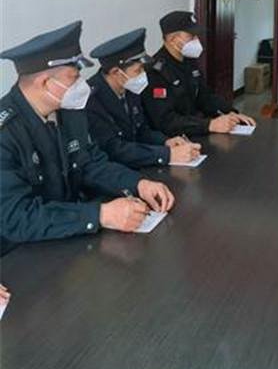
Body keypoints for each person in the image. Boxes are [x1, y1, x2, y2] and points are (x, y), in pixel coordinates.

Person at [0, 21, 175, 255]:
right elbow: (16, 217)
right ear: (45, 83)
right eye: (73, 78)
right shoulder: (6, 131)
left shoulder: (68, 111)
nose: (81, 85)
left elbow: (91, 163)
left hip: (68, 236)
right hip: (20, 254)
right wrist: (99, 215)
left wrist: (138, 184)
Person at [87, 28, 202, 168]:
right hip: (114, 170)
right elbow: (114, 149)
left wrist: (166, 142)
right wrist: (166, 155)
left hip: (138, 162)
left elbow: (142, 131)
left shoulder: (129, 87)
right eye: (138, 70)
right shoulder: (91, 99)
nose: (143, 74)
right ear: (116, 72)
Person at [142, 10, 256, 136]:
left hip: (196, 130)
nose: (197, 40)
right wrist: (209, 125)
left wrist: (231, 113)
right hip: (174, 139)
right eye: (191, 36)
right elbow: (166, 121)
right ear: (173, 40)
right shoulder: (155, 71)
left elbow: (205, 97)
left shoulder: (189, 61)